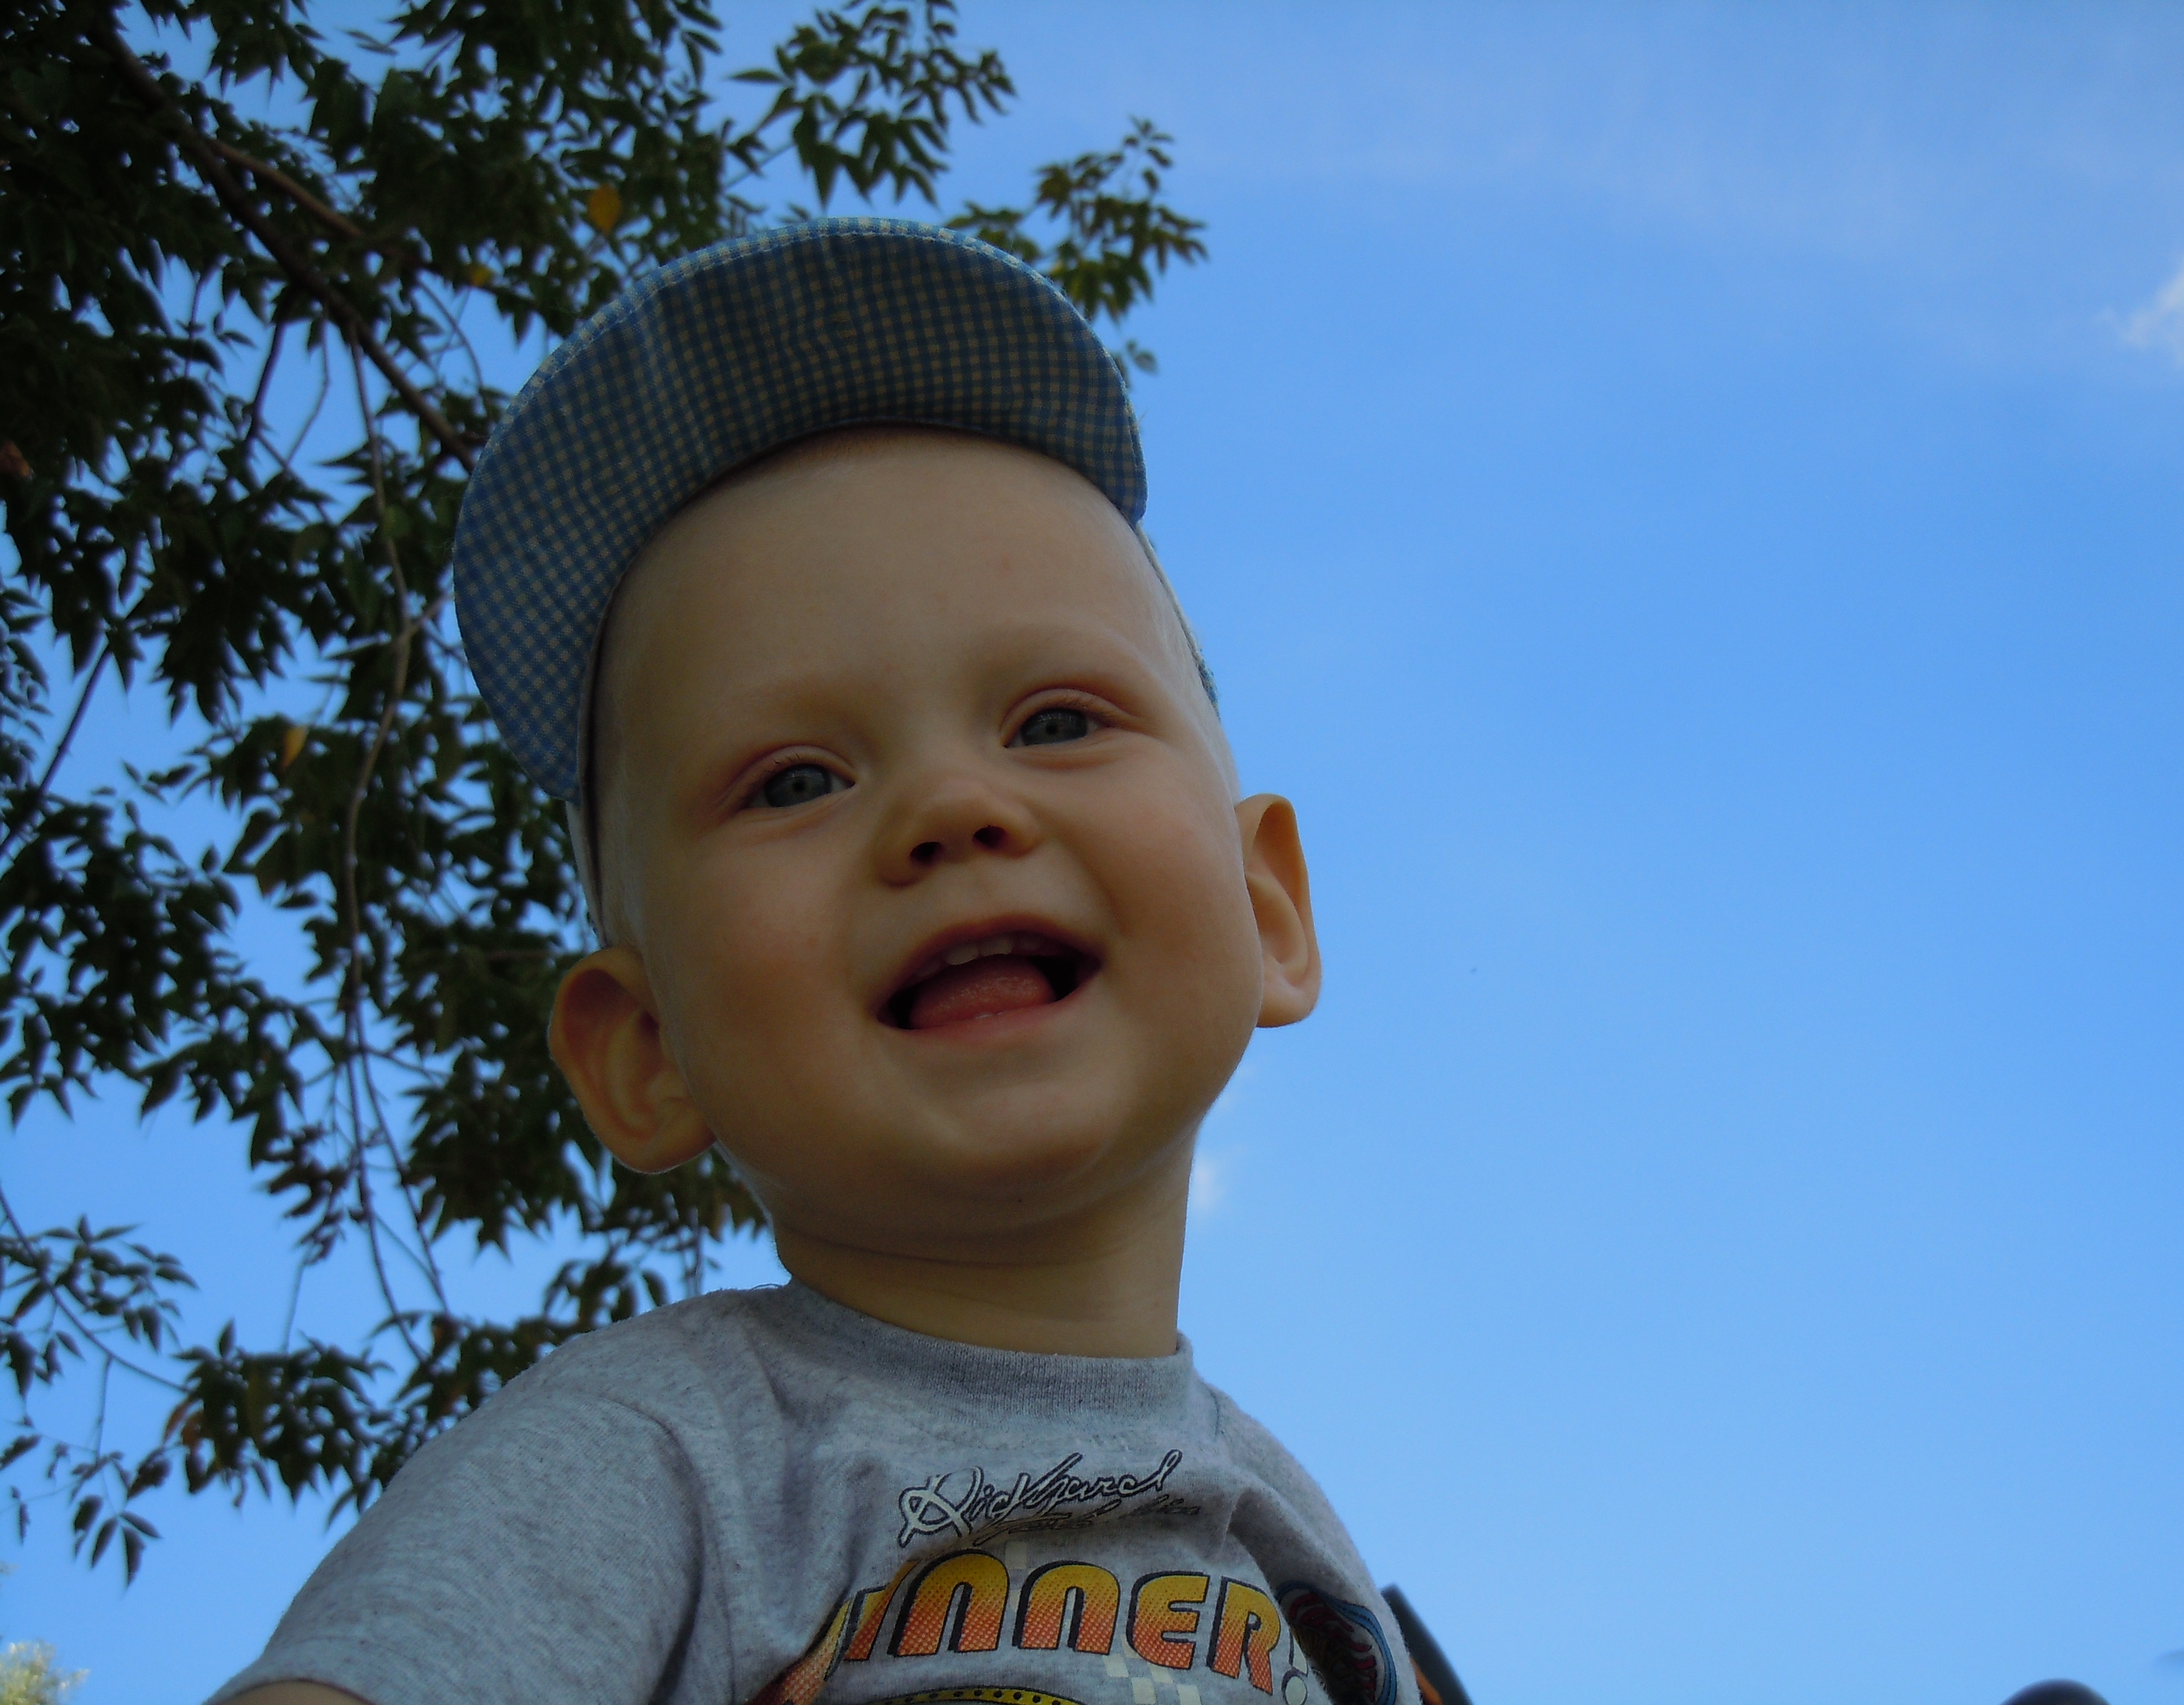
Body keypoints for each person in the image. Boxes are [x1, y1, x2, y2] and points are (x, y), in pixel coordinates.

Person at [212, 219, 1427, 1705]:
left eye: (1055, 722)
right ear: (645, 1052)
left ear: (1267, 907)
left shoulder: (1298, 1536)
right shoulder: (660, 1452)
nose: (952, 807)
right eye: (793, 782)